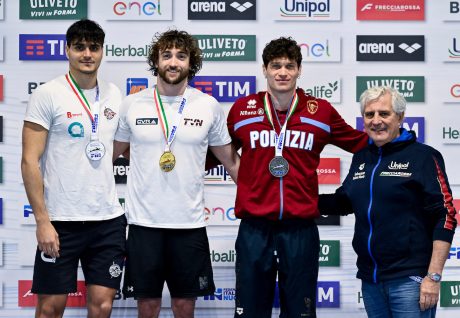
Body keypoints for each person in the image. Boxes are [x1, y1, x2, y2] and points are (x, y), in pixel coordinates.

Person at [226, 37, 368, 318]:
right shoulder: (242, 110)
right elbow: (213, 154)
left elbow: (361, 144)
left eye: (289, 66)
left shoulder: (320, 111)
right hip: (255, 228)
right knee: (250, 312)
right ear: (264, 69)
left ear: (299, 70)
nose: (282, 72)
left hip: (300, 228)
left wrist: (353, 189)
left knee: (300, 313)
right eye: (276, 65)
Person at [113, 29, 240, 318]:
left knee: (185, 307)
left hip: (189, 225)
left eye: (181, 56)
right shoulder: (132, 104)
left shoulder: (208, 106)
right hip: (144, 224)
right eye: (167, 55)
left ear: (190, 63)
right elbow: (110, 154)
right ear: (155, 61)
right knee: (147, 307)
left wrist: (260, 203)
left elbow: (232, 162)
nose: (173, 62)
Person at [319, 86, 457, 318]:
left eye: (384, 114)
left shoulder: (423, 156)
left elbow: (446, 215)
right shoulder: (362, 157)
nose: (376, 121)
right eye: (369, 114)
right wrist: (296, 199)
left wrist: (433, 277)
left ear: (400, 117)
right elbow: (344, 201)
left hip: (410, 280)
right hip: (371, 281)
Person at [21, 19, 126, 318]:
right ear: (67, 50)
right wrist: (43, 221)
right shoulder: (47, 94)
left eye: (94, 47)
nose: (87, 54)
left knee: (103, 306)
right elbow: (29, 161)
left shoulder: (114, 95)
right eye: (79, 47)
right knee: (50, 309)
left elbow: (115, 148)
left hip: (107, 220)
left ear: (102, 51)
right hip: (61, 221)